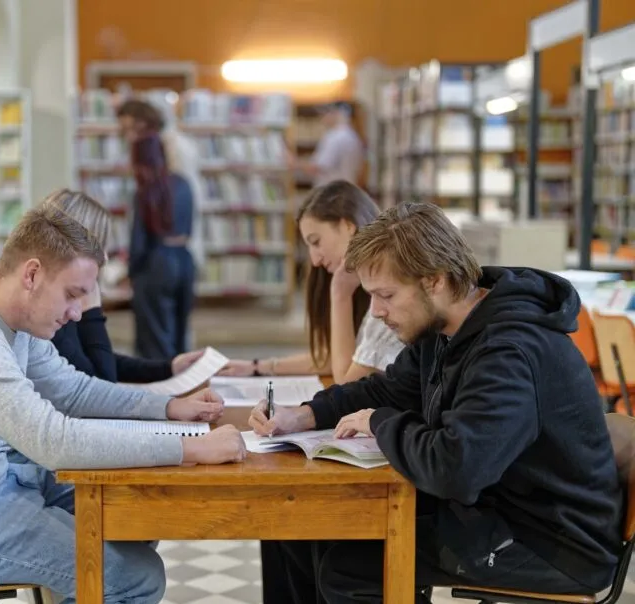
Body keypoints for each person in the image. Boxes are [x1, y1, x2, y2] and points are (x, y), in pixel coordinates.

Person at [0, 190, 247, 604]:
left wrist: (167, 407)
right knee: (135, 578)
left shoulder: (10, 320)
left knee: (135, 512)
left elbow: (73, 391)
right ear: (32, 274)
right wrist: (192, 449)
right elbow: (54, 441)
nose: (79, 313)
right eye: (73, 294)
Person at [249, 201, 623, 604]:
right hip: (498, 507)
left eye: (386, 295)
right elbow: (385, 390)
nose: (376, 312)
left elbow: (454, 470)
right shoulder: (444, 330)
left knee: (350, 567)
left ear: (435, 281)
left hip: (552, 541)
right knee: (302, 523)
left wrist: (380, 422)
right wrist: (305, 414)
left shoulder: (509, 352)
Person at [222, 180, 404, 385]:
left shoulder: (386, 294)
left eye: (316, 242)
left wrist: (340, 294)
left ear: (347, 226)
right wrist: (258, 367)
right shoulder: (365, 284)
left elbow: (345, 382)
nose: (315, 260)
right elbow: (332, 357)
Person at [46, 191, 204, 383]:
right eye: (99, 245)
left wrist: (168, 368)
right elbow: (103, 381)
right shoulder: (52, 314)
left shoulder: (64, 298)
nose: (105, 257)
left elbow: (98, 359)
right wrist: (91, 311)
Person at [117, 98, 206, 274]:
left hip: (168, 244)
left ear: (143, 122)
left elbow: (180, 196)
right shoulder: (161, 144)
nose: (128, 137)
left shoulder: (169, 146)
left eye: (130, 129)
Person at [128, 134, 196, 361]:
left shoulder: (145, 190)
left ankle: (161, 387)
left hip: (156, 263)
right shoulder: (184, 184)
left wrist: (130, 272)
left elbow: (139, 240)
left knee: (155, 338)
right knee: (179, 331)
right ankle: (183, 382)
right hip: (184, 260)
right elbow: (190, 227)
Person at [296, 101, 364, 187]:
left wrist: (294, 163)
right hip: (347, 189)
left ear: (336, 114)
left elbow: (317, 168)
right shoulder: (352, 135)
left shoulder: (335, 137)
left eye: (325, 114)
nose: (322, 118)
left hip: (333, 192)